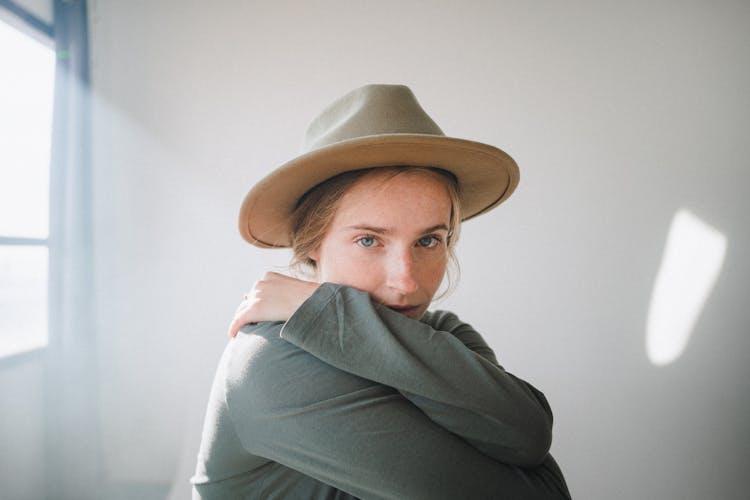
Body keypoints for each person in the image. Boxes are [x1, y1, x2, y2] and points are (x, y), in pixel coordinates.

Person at [191, 84, 571, 499]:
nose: (406, 282)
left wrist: (323, 308)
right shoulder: (271, 357)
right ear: (312, 243)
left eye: (428, 241)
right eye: (369, 240)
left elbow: (529, 435)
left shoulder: (445, 332)